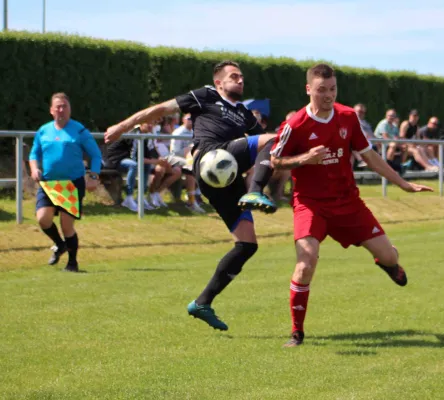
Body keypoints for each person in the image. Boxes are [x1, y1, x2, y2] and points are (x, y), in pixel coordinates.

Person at [105, 60, 278, 331]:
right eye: (234, 76)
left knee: (247, 245)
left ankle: (202, 302)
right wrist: (122, 126)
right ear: (219, 82)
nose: (240, 80)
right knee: (271, 139)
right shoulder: (206, 95)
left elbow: (269, 152)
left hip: (226, 178)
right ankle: (255, 193)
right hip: (209, 159)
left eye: (242, 76)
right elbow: (160, 109)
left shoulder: (245, 115)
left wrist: (308, 159)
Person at [270, 64, 433, 347]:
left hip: (348, 202)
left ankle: (388, 264)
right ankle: (297, 332)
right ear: (309, 89)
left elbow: (370, 157)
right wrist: (305, 158)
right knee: (305, 263)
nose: (328, 96)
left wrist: (403, 184)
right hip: (311, 205)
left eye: (332, 89)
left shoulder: (348, 117)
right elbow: (275, 161)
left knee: (391, 256)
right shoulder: (295, 125)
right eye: (322, 90)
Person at [29, 92, 102, 272]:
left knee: (66, 225)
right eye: (58, 107)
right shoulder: (44, 131)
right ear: (51, 110)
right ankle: (59, 244)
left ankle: (72, 264)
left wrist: (93, 176)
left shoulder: (79, 130)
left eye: (65, 106)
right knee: (43, 220)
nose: (61, 110)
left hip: (71, 184)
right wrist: (34, 169)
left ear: (70, 109)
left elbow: (96, 155)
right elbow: (34, 154)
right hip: (48, 183)